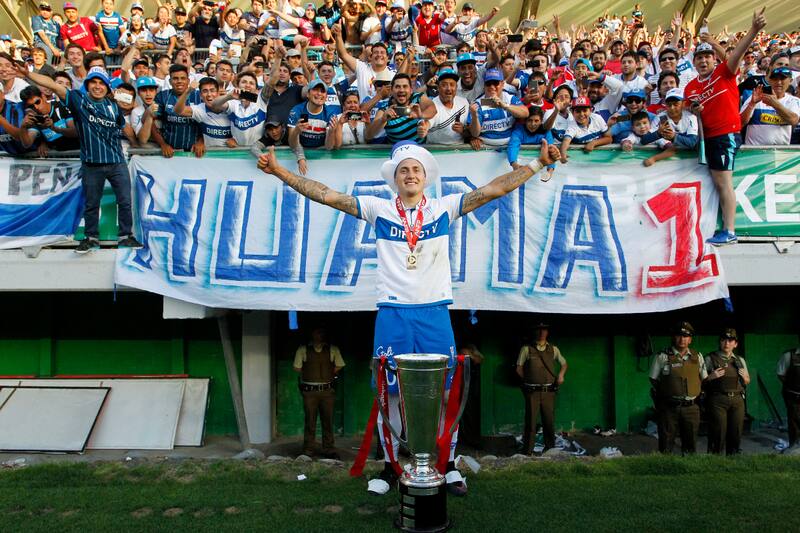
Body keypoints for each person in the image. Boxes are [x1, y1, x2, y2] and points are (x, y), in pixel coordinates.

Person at [257, 135, 561, 496]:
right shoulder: (378, 209)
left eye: (416, 169)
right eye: (404, 170)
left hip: (434, 312)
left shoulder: (444, 207)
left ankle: (447, 467)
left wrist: (538, 165)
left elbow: (493, 190)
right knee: (390, 396)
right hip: (393, 313)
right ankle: (390, 468)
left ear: (425, 176)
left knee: (446, 393)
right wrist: (279, 171)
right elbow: (326, 194)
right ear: (395, 178)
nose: (410, 174)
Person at [18, 65, 142, 253]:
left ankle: (126, 236)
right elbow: (53, 85)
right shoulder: (78, 99)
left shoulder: (113, 105)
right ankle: (91, 238)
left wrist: (135, 143)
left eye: (101, 83)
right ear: (87, 85)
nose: (97, 86)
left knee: (125, 201)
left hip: (117, 162)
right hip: (92, 163)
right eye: (93, 82)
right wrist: (27, 74)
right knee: (91, 203)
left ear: (107, 87)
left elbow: (122, 126)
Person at [683, 10, 767, 246]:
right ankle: (724, 228)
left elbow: (738, 54)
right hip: (706, 138)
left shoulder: (724, 74)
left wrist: (753, 30)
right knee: (718, 183)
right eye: (698, 58)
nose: (703, 60)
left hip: (725, 134)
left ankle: (729, 230)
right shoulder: (690, 87)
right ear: (694, 62)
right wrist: (694, 110)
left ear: (714, 59)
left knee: (723, 183)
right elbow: (689, 108)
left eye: (707, 56)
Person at [649, 321, 707, 454]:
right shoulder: (662, 356)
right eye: (679, 336)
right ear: (674, 338)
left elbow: (704, 378)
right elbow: (653, 378)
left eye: (685, 336)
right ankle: (666, 469)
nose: (682, 339)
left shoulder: (697, 356)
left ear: (690, 339)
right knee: (666, 443)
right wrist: (669, 391)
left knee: (690, 443)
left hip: (691, 407)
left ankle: (688, 470)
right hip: (669, 407)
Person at [515, 322, 568, 453]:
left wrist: (561, 375)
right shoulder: (526, 349)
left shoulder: (553, 349)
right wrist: (528, 380)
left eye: (544, 330)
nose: (541, 332)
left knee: (549, 422)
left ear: (547, 332)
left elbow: (564, 363)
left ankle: (550, 448)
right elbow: (519, 368)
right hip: (532, 391)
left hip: (548, 391)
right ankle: (528, 451)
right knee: (531, 422)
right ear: (534, 332)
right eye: (538, 330)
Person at [293, 326, 345, 459]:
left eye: (321, 333)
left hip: (327, 390)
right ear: (311, 334)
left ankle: (328, 448)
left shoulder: (332, 349)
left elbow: (339, 364)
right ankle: (308, 449)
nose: (319, 335)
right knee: (310, 421)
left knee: (328, 421)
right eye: (317, 332)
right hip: (310, 391)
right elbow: (297, 367)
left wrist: (328, 372)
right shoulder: (303, 349)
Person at [704, 328, 749, 455]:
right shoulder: (710, 358)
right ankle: (715, 460)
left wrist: (745, 378)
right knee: (718, 432)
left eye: (730, 340)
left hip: (737, 400)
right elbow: (700, 381)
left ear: (735, 344)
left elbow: (747, 381)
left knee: (736, 431)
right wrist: (710, 377)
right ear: (720, 342)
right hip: (717, 399)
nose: (727, 343)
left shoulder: (739, 360)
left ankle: (733, 459)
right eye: (724, 340)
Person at [367, 73, 436, 144]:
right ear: (391, 90)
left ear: (411, 90)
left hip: (418, 150)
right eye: (397, 87)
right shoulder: (385, 108)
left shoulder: (417, 98)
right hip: (396, 151)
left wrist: (420, 115)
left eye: (405, 86)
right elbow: (369, 135)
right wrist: (382, 120)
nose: (401, 90)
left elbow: (433, 109)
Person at [467, 68, 528, 148]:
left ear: (502, 84)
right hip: (485, 147)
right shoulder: (478, 103)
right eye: (488, 83)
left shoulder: (509, 98)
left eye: (495, 83)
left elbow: (525, 113)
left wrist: (505, 106)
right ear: (484, 85)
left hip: (509, 146)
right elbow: (475, 133)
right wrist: (475, 117)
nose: (492, 87)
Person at [740, 67, 800, 146]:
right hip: (754, 153)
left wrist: (775, 104)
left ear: (790, 81)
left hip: (781, 154)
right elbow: (740, 123)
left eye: (782, 79)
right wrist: (752, 104)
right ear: (770, 81)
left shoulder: (794, 101)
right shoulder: (755, 97)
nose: (778, 82)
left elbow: (793, 120)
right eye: (775, 79)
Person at [287, 78, 336, 173]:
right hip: (298, 154)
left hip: (321, 159)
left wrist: (331, 132)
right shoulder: (297, 111)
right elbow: (292, 144)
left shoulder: (330, 114)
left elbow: (329, 147)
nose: (319, 94)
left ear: (326, 97)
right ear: (308, 94)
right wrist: (297, 131)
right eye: (315, 90)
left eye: (322, 91)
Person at [17, 84, 78, 153]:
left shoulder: (61, 105)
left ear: (43, 97)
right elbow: (27, 144)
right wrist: (23, 127)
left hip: (78, 153)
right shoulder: (34, 118)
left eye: (37, 102)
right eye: (31, 106)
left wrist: (54, 128)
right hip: (59, 159)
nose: (36, 107)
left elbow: (75, 132)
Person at [416, 68, 469, 145]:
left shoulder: (464, 102)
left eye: (452, 84)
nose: (448, 88)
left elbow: (469, 130)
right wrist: (423, 128)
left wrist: (463, 131)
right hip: (437, 152)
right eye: (444, 85)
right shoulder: (432, 105)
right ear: (438, 87)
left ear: (456, 87)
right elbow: (426, 123)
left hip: (460, 151)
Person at [558, 96, 609, 162]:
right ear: (572, 112)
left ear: (590, 110)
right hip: (581, 161)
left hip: (600, 159)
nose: (582, 114)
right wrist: (563, 154)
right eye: (578, 111)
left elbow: (609, 138)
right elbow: (566, 141)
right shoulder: (572, 125)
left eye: (585, 110)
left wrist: (594, 143)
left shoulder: (598, 118)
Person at [777, 340, 800, 448]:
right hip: (793, 395)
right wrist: (792, 386)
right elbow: (781, 374)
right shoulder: (789, 356)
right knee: (794, 422)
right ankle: (794, 448)